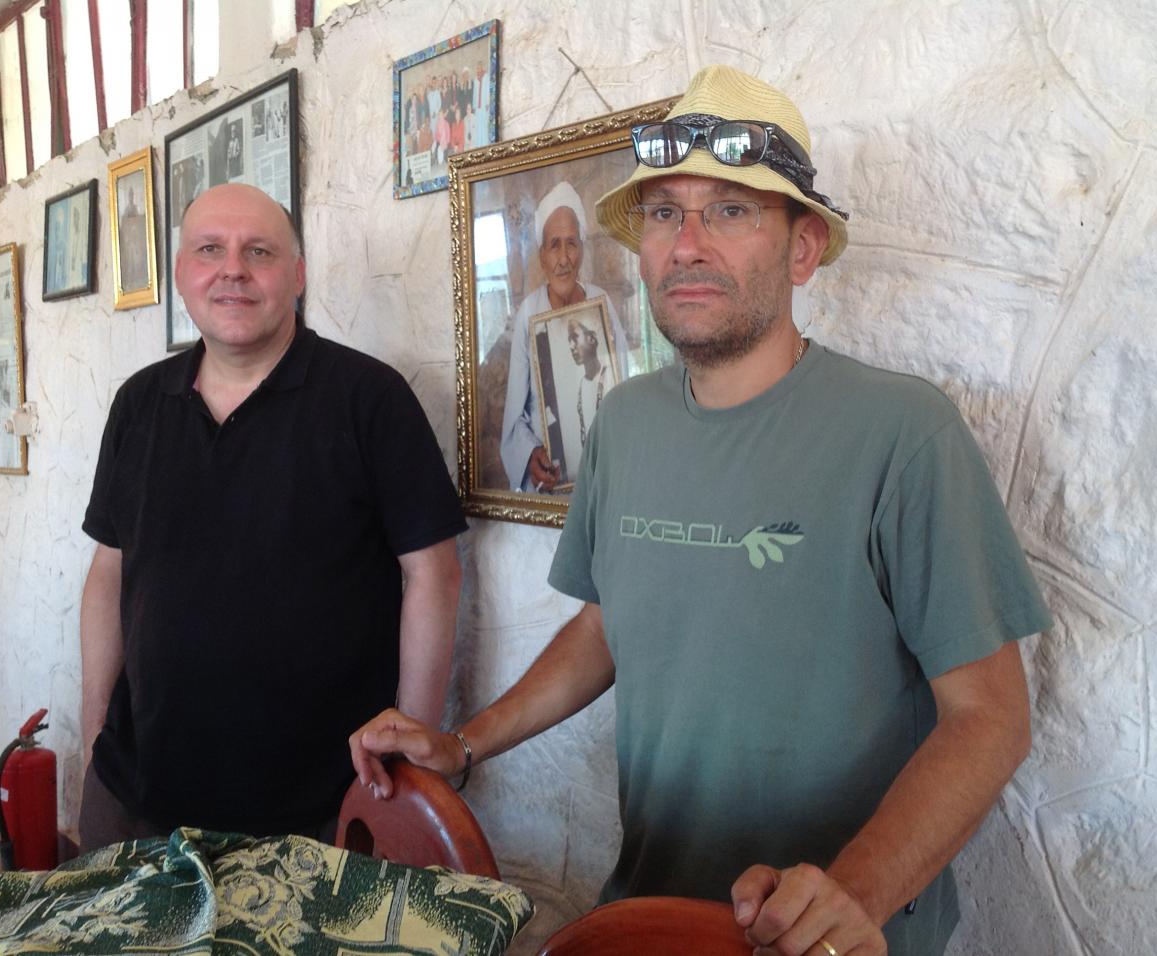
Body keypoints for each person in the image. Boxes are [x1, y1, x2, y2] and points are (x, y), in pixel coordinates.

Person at [352, 65, 1052, 956]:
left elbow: (991, 716)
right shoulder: (626, 422)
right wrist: (465, 743)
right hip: (647, 914)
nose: (688, 244)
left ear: (801, 249)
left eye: (730, 210)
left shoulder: (905, 433)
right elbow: (606, 626)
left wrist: (851, 899)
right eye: (664, 213)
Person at [78, 183, 466, 848]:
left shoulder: (368, 398)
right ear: (181, 272)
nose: (233, 269)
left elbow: (435, 574)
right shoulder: (139, 404)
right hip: (138, 795)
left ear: (296, 274)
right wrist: (91, 735)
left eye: (258, 250)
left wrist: (406, 751)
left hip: (321, 807)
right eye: (210, 249)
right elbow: (109, 573)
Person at [499, 181, 627, 492]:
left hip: (601, 472)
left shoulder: (601, 305)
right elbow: (515, 413)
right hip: (549, 481)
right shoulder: (529, 313)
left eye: (571, 243)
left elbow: (622, 388)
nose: (564, 257)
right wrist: (531, 454)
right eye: (554, 244)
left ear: (582, 249)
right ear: (542, 256)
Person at [562, 315, 610, 478]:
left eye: (575, 338)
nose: (571, 346)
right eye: (569, 340)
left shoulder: (611, 376)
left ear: (591, 339)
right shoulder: (580, 385)